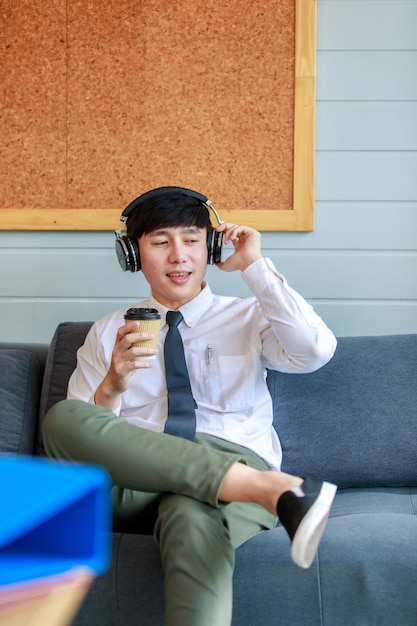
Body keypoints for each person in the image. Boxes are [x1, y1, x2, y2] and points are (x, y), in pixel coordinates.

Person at [43, 187, 338, 626]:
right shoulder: (108, 331)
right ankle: (268, 488)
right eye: (161, 242)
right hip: (135, 481)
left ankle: (236, 483)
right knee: (63, 417)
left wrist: (254, 267)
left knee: (190, 511)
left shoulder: (249, 316)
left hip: (231, 456)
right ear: (133, 254)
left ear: (210, 246)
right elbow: (81, 442)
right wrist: (113, 384)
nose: (178, 255)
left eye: (192, 240)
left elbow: (314, 351)